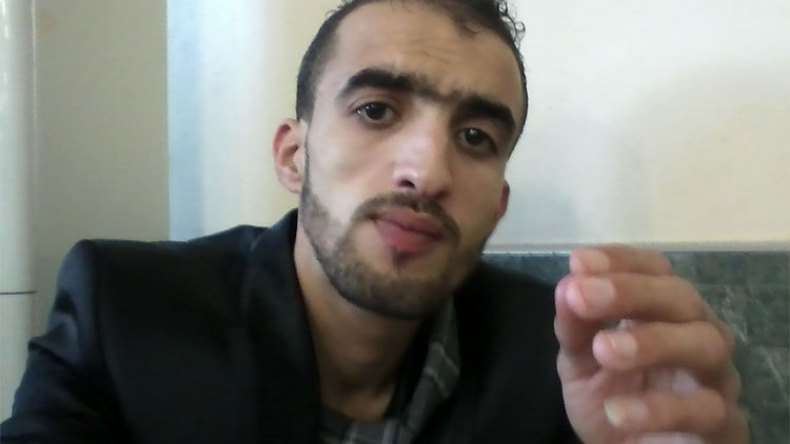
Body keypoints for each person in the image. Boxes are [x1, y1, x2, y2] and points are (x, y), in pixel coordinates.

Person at [1, 0, 748, 443]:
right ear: (293, 157)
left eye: (475, 137)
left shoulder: (562, 365)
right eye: (377, 111)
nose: (427, 171)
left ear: (497, 205)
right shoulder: (125, 309)